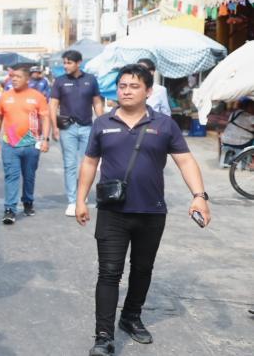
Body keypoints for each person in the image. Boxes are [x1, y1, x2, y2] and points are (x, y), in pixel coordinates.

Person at [75, 64, 212, 356]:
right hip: (112, 211)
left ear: (148, 91)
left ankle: (131, 316)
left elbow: (185, 160)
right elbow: (89, 162)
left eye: (134, 86)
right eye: (122, 86)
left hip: (151, 211)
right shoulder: (103, 123)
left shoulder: (164, 124)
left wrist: (199, 196)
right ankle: (103, 336)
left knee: (142, 269)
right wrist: (80, 199)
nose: (126, 91)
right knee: (109, 272)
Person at [0, 65, 50, 224]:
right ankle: (10, 209)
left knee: (29, 176)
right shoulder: (5, 96)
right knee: (11, 176)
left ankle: (28, 201)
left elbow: (45, 118)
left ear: (27, 79)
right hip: (10, 144)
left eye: (18, 76)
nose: (14, 79)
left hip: (31, 144)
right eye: (13, 76)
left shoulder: (37, 96)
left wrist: (45, 139)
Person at [49, 50, 104, 217]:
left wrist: (102, 124)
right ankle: (73, 201)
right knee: (70, 164)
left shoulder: (90, 80)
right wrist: (54, 127)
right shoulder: (60, 81)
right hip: (68, 128)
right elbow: (53, 105)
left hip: (87, 127)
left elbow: (97, 103)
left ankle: (82, 194)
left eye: (69, 62)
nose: (65, 66)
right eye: (64, 62)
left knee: (87, 163)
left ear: (78, 63)